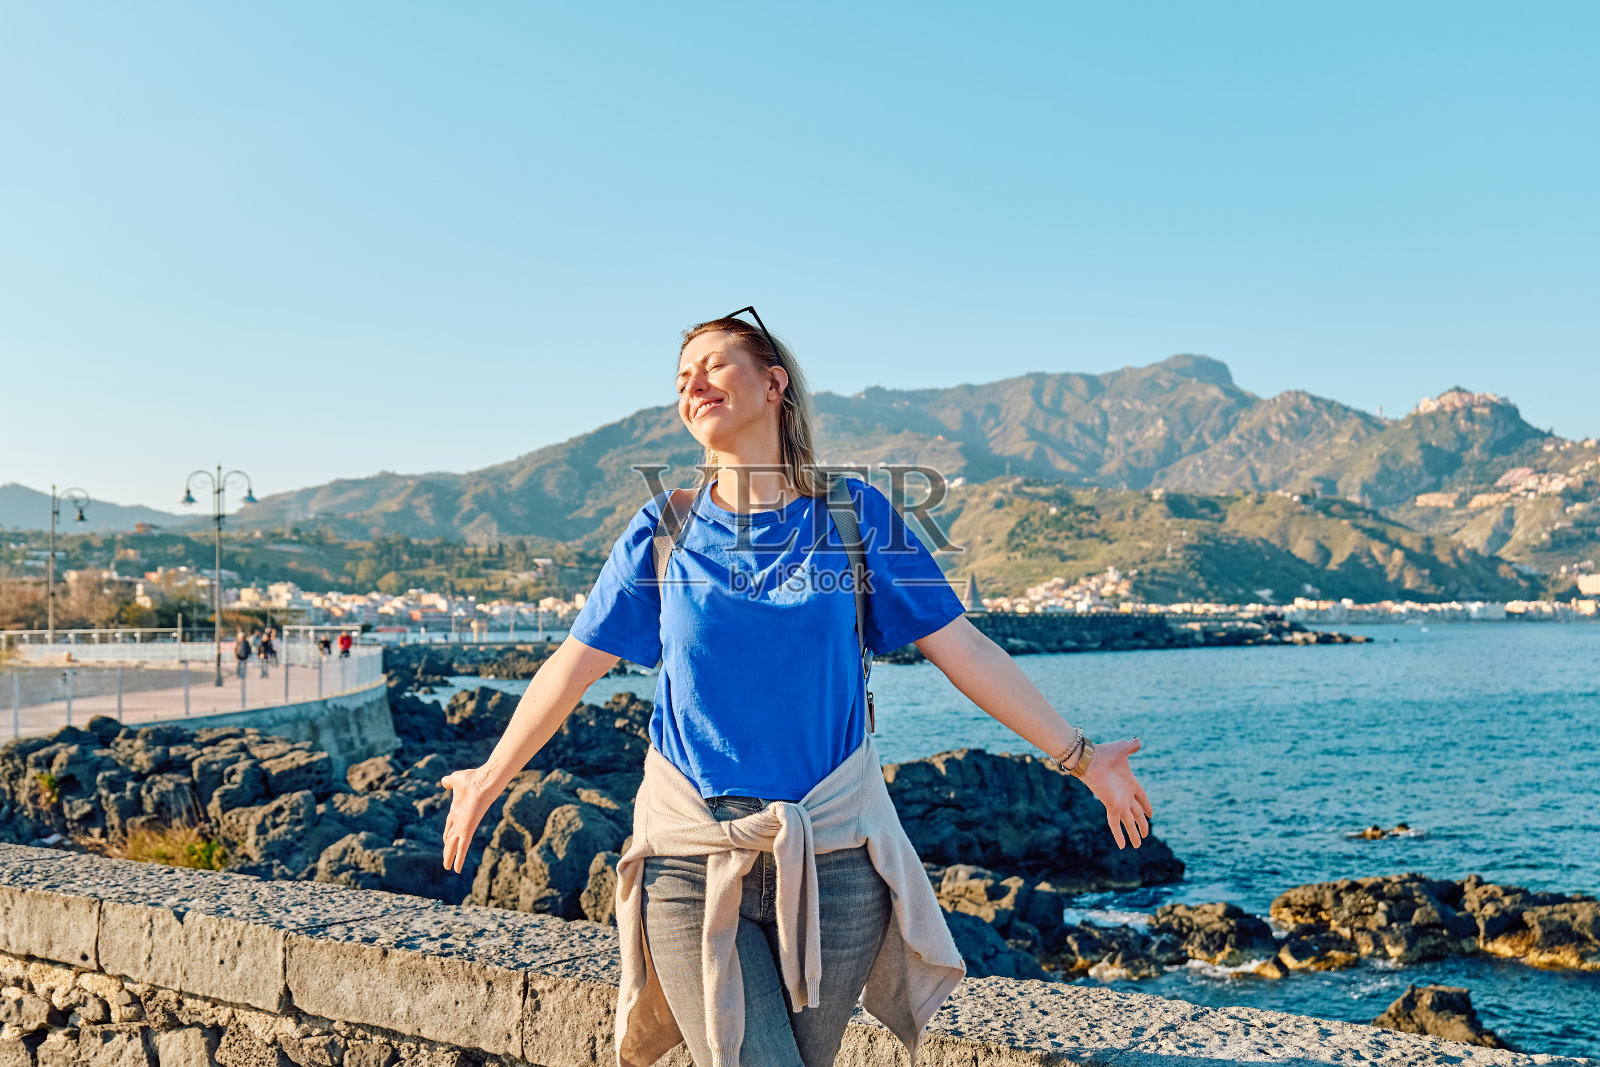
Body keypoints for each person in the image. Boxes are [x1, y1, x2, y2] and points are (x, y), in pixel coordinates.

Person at [438, 311, 1154, 1067]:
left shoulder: (857, 516)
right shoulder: (664, 527)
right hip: (691, 853)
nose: (693, 385)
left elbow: (964, 647)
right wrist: (489, 776)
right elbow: (573, 664)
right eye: (682, 379)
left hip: (835, 860)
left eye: (714, 365)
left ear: (773, 382)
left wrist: (1082, 758)